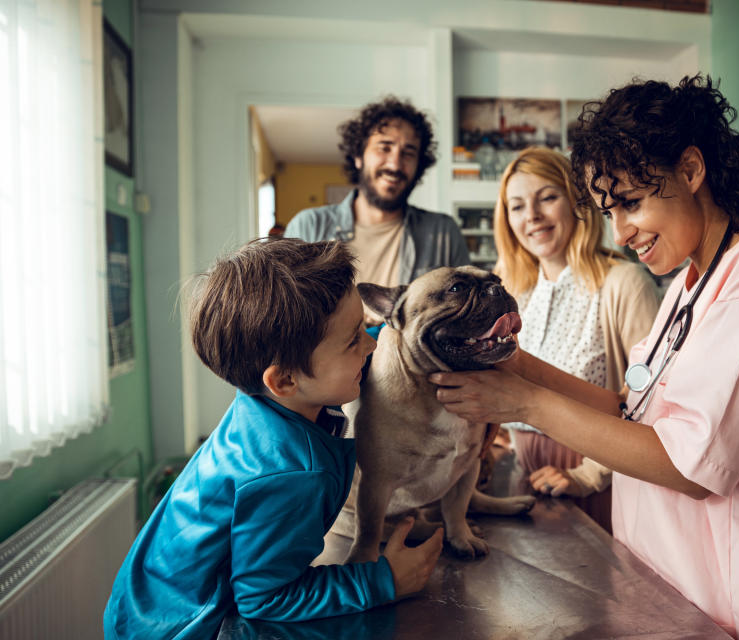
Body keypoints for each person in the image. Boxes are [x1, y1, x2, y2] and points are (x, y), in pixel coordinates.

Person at [429, 75, 739, 640]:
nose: (621, 231)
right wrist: (520, 366)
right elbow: (632, 411)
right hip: (675, 593)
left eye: (630, 203)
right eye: (609, 210)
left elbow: (687, 466)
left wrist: (525, 399)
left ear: (692, 170)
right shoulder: (692, 280)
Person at [104, 239, 443, 639]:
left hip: (141, 605)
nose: (371, 343)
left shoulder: (264, 399)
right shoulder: (291, 473)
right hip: (186, 628)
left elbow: (333, 355)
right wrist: (384, 581)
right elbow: (264, 599)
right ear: (283, 379)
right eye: (355, 338)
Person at [491, 147, 660, 532]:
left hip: (598, 483)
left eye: (547, 198)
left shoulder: (623, 283)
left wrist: (588, 475)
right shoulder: (511, 289)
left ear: (576, 202)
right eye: (517, 206)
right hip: (526, 479)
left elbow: (650, 403)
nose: (531, 216)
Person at [284, 96, 470, 325]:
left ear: (419, 166)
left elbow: (464, 317)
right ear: (358, 156)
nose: (394, 164)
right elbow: (286, 319)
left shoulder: (443, 232)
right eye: (384, 148)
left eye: (408, 152)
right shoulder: (308, 227)